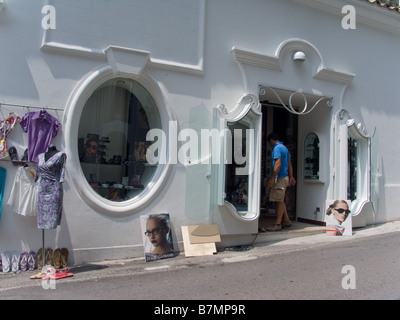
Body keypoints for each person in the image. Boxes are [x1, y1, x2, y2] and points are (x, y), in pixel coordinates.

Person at [264, 133, 296, 231]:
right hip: (285, 177)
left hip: (280, 178)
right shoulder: (285, 148)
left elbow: (278, 163)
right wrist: (291, 177)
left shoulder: (277, 148)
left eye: (269, 143)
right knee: (281, 199)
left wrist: (272, 178)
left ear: (271, 140)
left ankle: (277, 224)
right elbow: (289, 164)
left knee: (279, 201)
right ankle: (286, 220)